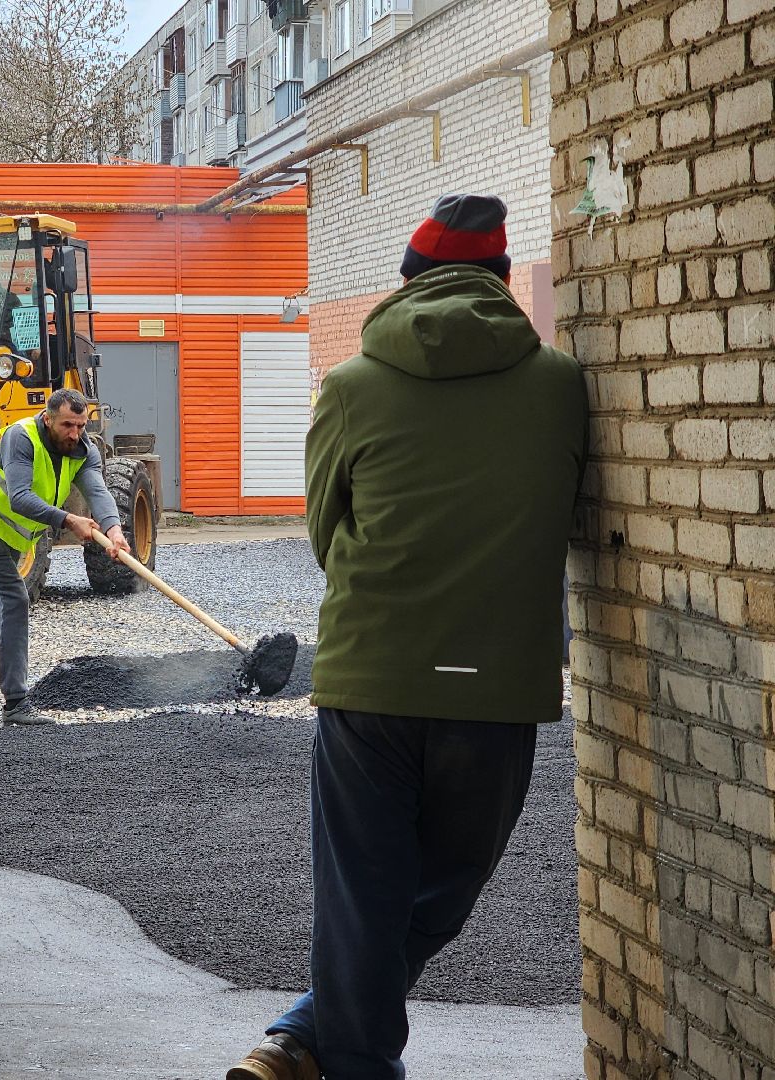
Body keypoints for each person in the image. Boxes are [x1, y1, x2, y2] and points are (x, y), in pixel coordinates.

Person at [227, 193, 588, 1080]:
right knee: (443, 895)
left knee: (363, 898)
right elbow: (566, 510)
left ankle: (308, 1038)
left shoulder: (351, 385)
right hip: (497, 686)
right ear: (500, 278)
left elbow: (325, 534)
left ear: (409, 279)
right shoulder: (559, 385)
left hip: (372, 679)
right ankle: (313, 1041)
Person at [0, 389, 130, 726]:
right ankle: (16, 703)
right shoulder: (21, 437)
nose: (74, 434)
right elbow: (19, 497)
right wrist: (69, 520)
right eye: (67, 425)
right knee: (14, 598)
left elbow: (97, 491)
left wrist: (113, 529)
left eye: (80, 425)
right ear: (47, 419)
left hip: (17, 532)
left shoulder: (83, 449)